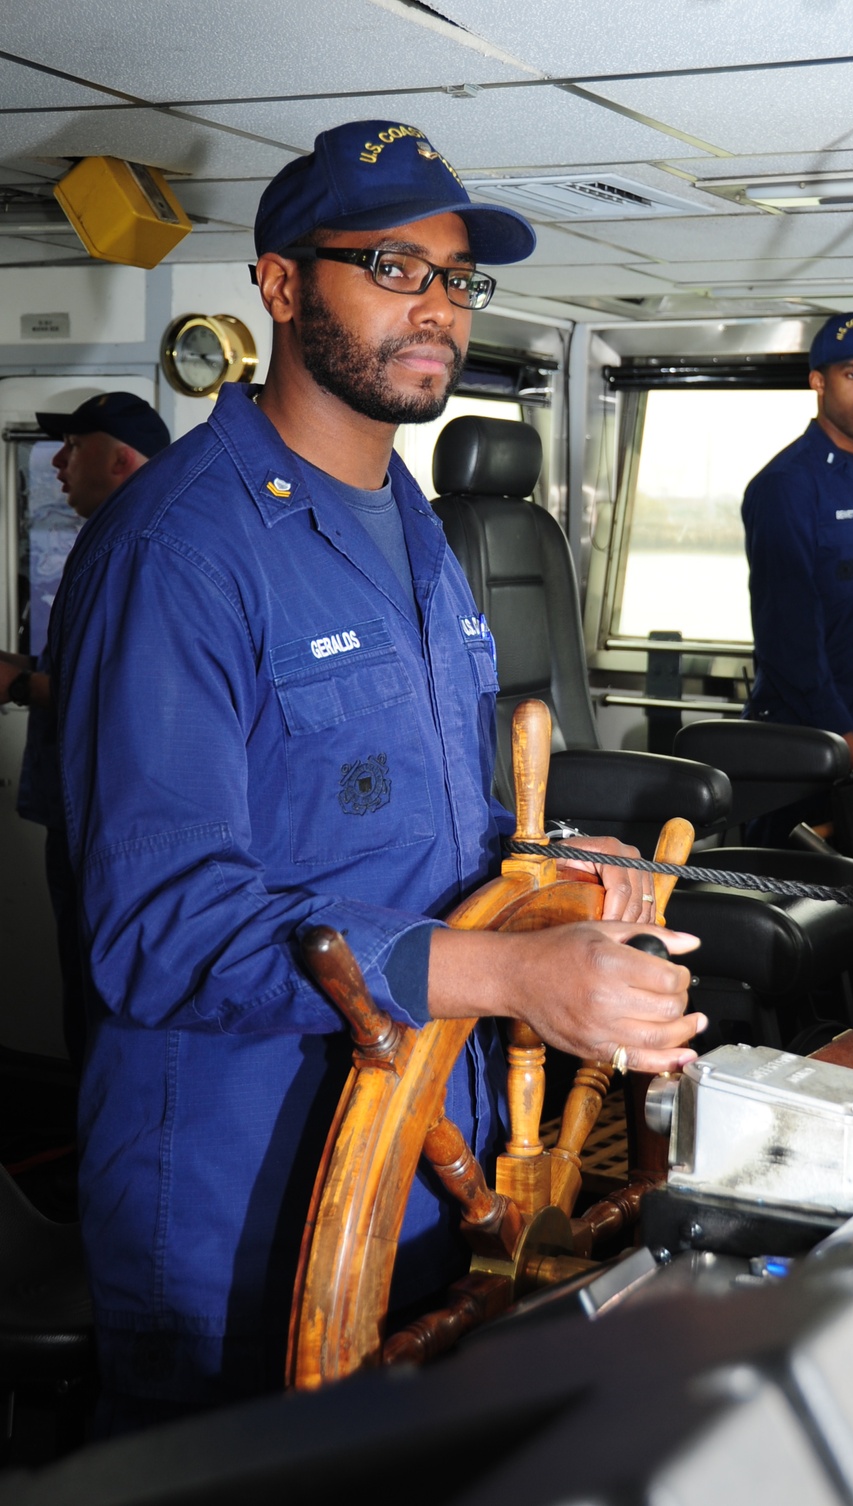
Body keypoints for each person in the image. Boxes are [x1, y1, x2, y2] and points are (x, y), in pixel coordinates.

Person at [48, 119, 706, 1432]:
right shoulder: (177, 550)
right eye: (394, 267)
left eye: (458, 278)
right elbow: (157, 931)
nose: (440, 309)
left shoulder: (417, 527)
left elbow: (425, 819)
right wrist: (515, 974)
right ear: (282, 286)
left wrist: (554, 875)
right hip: (242, 1194)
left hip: (418, 1149)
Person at [0, 393, 170, 1065]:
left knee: (101, 1002)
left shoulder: (142, 545)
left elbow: (131, 691)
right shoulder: (113, 536)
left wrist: (17, 686)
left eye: (74, 446)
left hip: (108, 823)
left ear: (121, 460)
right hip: (82, 814)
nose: (60, 463)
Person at [741, 311, 853, 845]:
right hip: (812, 737)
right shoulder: (786, 486)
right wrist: (840, 734)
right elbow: (787, 631)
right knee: (801, 905)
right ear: (818, 382)